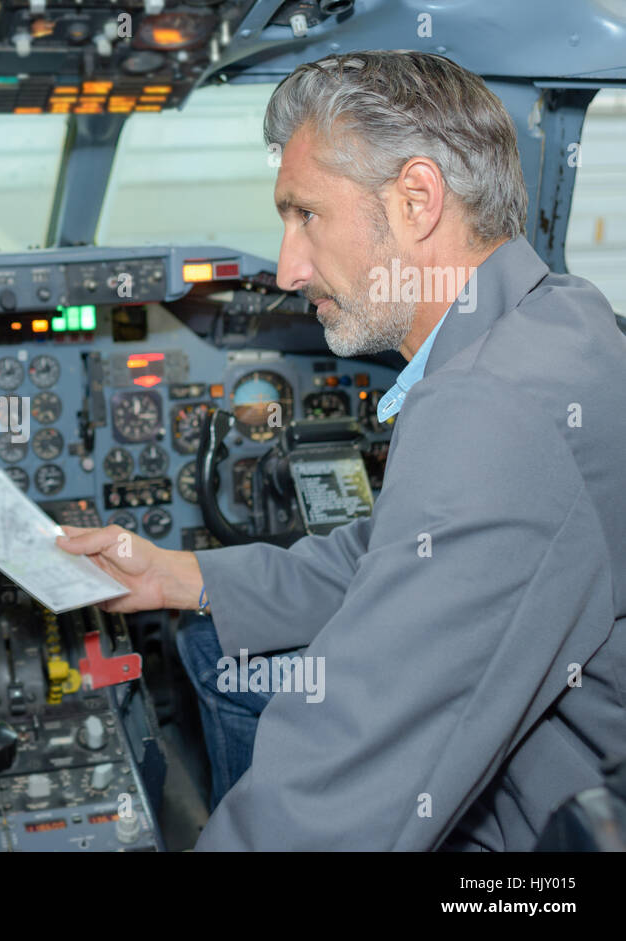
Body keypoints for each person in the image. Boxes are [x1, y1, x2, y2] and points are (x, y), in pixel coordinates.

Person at [59, 50, 626, 850]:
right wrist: (178, 575)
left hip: (533, 837)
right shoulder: (561, 316)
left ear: (417, 199)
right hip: (566, 778)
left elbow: (342, 783)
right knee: (212, 638)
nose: (288, 268)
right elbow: (389, 555)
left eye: (306, 215)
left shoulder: (493, 410)